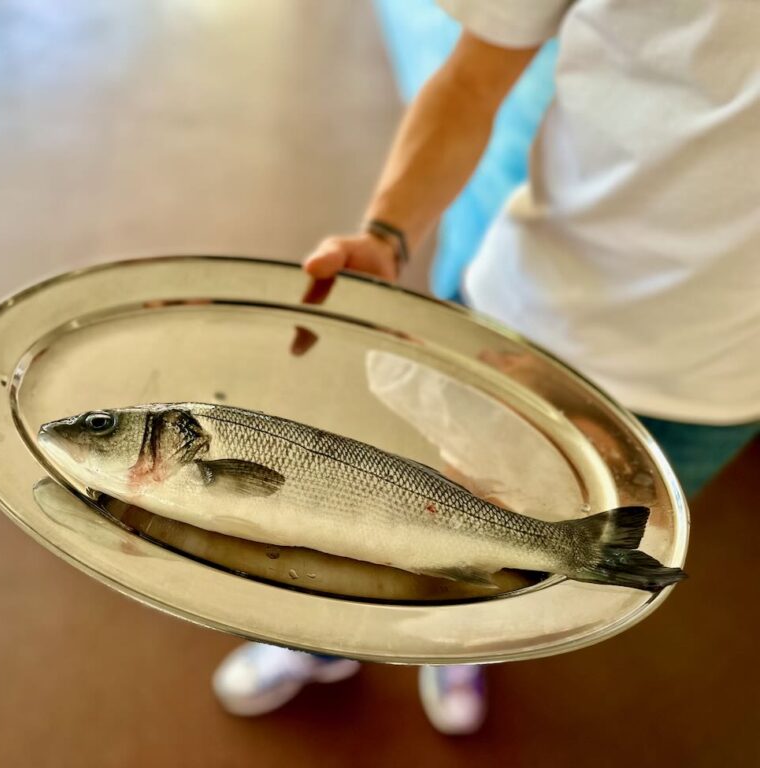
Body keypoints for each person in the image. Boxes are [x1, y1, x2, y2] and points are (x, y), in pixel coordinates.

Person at [212, 0, 760, 734]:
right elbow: (472, 80)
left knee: (536, 563)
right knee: (385, 512)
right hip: (535, 317)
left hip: (722, 383)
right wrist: (387, 232)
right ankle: (311, 638)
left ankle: (460, 646)